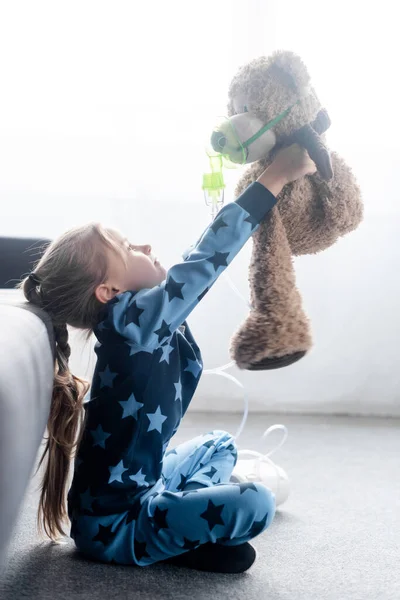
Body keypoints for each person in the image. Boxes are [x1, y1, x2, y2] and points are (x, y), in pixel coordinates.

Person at [21, 145, 316, 573]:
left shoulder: (136, 317)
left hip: (143, 488)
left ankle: (184, 527)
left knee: (220, 444)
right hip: (115, 525)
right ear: (108, 291)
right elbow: (203, 262)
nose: (144, 245)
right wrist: (273, 179)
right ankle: (183, 534)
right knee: (257, 502)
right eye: (127, 248)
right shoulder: (131, 324)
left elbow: (194, 259)